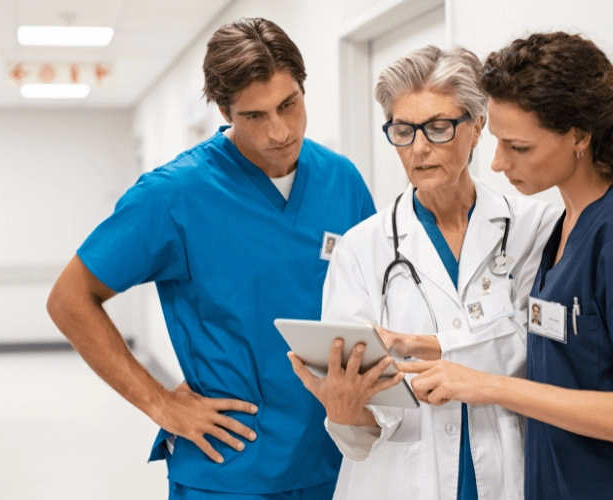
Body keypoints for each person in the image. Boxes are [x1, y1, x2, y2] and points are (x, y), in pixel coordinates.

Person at [46, 18, 375, 499]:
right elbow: (69, 299)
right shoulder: (173, 197)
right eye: (254, 116)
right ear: (224, 110)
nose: (280, 131)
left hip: (336, 461)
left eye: (289, 105)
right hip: (229, 470)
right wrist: (159, 403)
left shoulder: (341, 181)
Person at [401, 32, 613, 499]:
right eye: (497, 142)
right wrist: (444, 350)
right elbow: (566, 365)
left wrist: (490, 387)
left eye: (518, 147)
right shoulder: (564, 228)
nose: (497, 163)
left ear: (579, 136)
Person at [288, 45, 559, 500]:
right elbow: (363, 427)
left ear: (477, 127)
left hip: (509, 470)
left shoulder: (535, 227)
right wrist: (346, 408)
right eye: (402, 130)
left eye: (437, 128)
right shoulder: (361, 249)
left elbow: (537, 351)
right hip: (398, 480)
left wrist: (432, 349)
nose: (418, 149)